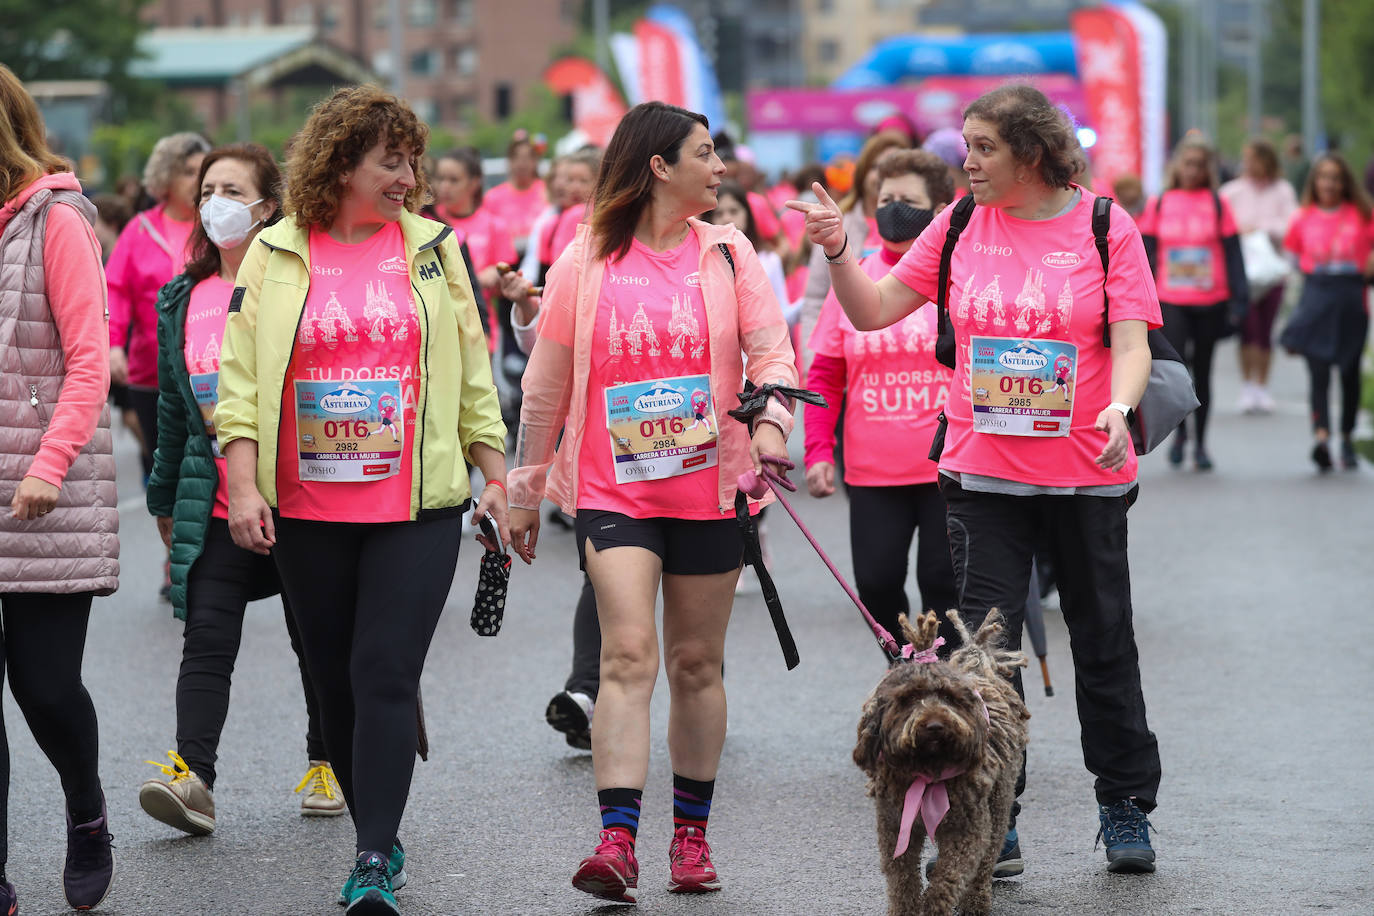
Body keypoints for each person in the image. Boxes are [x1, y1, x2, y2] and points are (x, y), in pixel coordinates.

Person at [789, 83, 1163, 876]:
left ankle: (1124, 801)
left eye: (984, 148)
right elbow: (874, 308)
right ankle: (999, 811)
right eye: (966, 146)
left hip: (1086, 473)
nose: (969, 162)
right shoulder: (956, 224)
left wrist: (1121, 409)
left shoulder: (1103, 225)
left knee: (1101, 640)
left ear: (1033, 152)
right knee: (985, 653)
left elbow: (1132, 342)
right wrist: (836, 249)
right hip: (982, 472)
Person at [215, 85, 508, 916]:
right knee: (335, 681)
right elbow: (239, 389)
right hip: (307, 506)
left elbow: (473, 378)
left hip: (419, 503)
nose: (409, 176)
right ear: (342, 164)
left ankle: (372, 854)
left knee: (384, 671)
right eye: (391, 161)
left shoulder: (435, 249)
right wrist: (242, 484)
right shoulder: (272, 254)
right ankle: (376, 821)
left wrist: (498, 478)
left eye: (412, 159)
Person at [508, 101, 797, 904]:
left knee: (697, 664)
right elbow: (544, 388)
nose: (721, 166)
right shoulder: (585, 262)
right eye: (705, 153)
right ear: (659, 166)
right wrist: (526, 492)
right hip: (613, 491)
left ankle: (692, 839)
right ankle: (617, 841)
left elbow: (773, 355)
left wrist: (772, 428)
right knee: (627, 657)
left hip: (711, 487)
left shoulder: (732, 254)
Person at [138, 143, 345, 838]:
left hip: (301, 502)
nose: (217, 202)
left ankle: (328, 764)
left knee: (314, 642)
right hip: (222, 502)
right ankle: (193, 777)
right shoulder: (182, 296)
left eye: (233, 189)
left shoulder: (301, 283)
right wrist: (165, 499)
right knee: (206, 637)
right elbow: (173, 412)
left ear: (268, 205)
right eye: (207, 189)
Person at [0, 62, 118, 913]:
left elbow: (87, 365)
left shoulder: (58, 220)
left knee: (42, 688)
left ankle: (85, 809)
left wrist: (48, 465)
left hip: (39, 493)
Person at [802, 150, 958, 654]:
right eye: (885, 199)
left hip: (949, 465)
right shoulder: (855, 275)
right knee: (875, 583)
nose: (893, 209)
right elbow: (825, 372)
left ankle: (949, 686)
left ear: (938, 208)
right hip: (872, 468)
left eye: (907, 200)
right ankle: (904, 677)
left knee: (944, 587)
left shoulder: (958, 274)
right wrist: (818, 452)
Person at [1137, 136, 1248, 471]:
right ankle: (1180, 435)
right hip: (1171, 299)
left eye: (1200, 165)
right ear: (1177, 167)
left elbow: (1233, 253)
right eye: (1188, 164)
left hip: (1210, 299)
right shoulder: (1161, 202)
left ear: (1207, 169)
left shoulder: (1217, 204)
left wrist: (1239, 299)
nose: (1193, 170)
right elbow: (1143, 254)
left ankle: (1201, 444)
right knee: (1177, 371)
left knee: (1204, 372)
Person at [106, 131, 211, 481]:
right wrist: (113, 345)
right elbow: (114, 290)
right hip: (150, 374)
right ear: (165, 177)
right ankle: (169, 534)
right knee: (164, 472)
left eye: (203, 169)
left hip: (210, 372)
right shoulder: (140, 229)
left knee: (209, 469)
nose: (198, 180)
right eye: (187, 171)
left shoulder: (216, 227)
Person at [1279, 152, 1374, 471]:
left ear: (1344, 181)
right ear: (1314, 181)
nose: (1329, 184)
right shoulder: (1303, 217)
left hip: (1350, 297)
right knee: (1318, 371)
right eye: (1323, 177)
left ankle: (1346, 437)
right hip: (1316, 295)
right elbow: (1291, 258)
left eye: (1335, 177)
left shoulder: (1362, 214)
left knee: (1348, 371)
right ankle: (1321, 438)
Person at [799, 132, 909, 365]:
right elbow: (815, 299)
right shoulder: (835, 225)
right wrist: (812, 363)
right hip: (845, 361)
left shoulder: (925, 228)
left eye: (895, 169)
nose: (884, 176)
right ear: (863, 173)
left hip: (907, 359)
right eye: (877, 167)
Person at [1220, 138, 1298, 414]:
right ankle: (1247, 384)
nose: (1248, 164)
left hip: (1273, 270)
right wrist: (1241, 229)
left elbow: (1291, 224)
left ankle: (1262, 386)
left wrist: (1261, 228)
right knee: (1247, 329)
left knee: (1266, 330)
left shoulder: (1283, 190)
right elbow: (1224, 225)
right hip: (1242, 273)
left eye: (1252, 158)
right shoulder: (1231, 191)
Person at [432, 147, 517, 353]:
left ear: (474, 183)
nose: (445, 187)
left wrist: (497, 273)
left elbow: (507, 274)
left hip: (478, 325)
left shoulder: (493, 225)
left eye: (454, 180)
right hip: (437, 328)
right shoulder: (427, 223)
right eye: (440, 179)